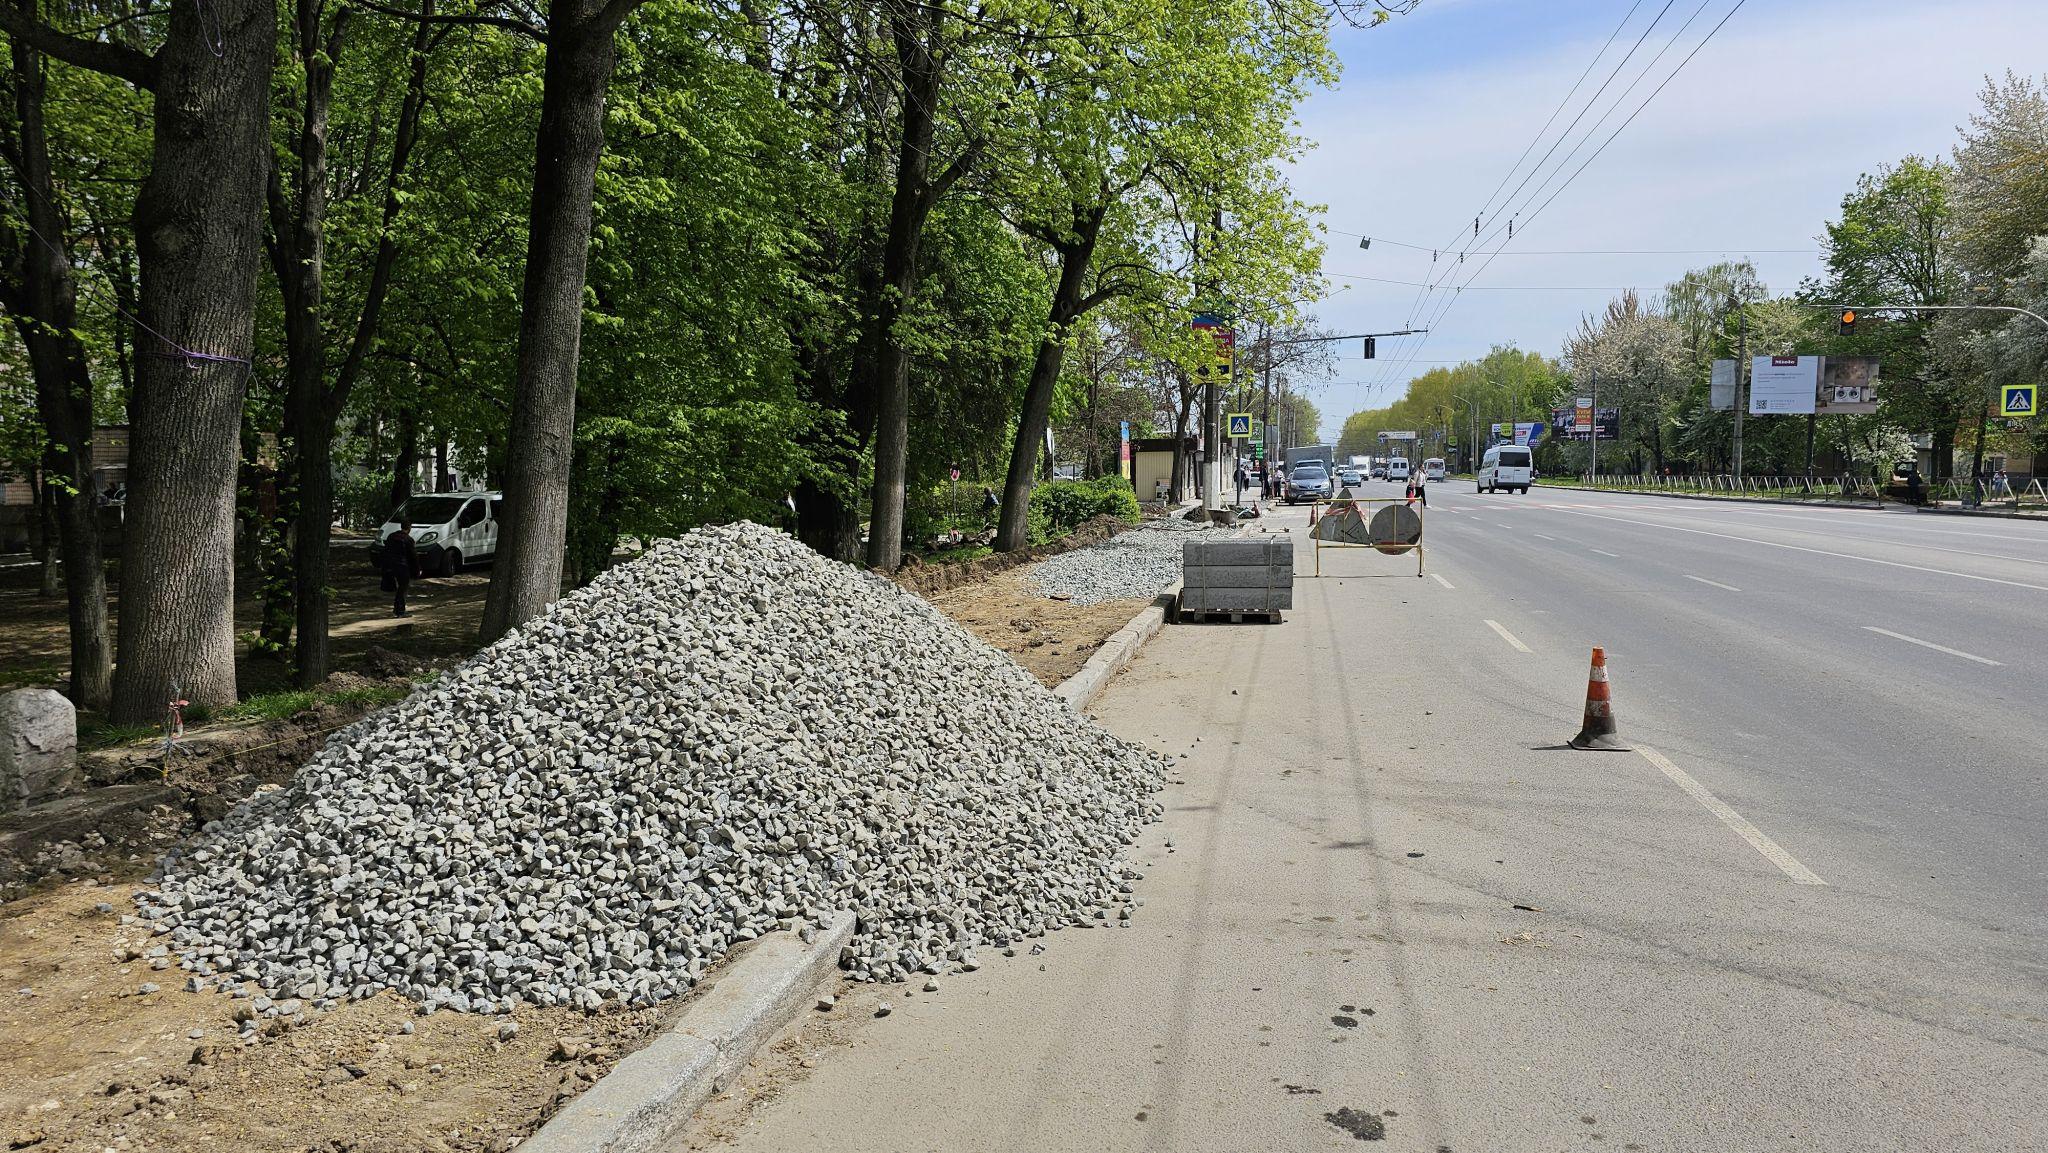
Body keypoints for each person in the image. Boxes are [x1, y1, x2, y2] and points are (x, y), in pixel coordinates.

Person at [382, 520, 421, 617]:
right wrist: (417, 570)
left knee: (399, 588)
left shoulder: (391, 536)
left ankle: (397, 609)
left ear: (401, 526)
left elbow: (385, 550)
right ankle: (400, 611)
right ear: (409, 528)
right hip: (402, 566)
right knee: (403, 587)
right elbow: (414, 557)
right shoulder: (408, 539)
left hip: (390, 565)